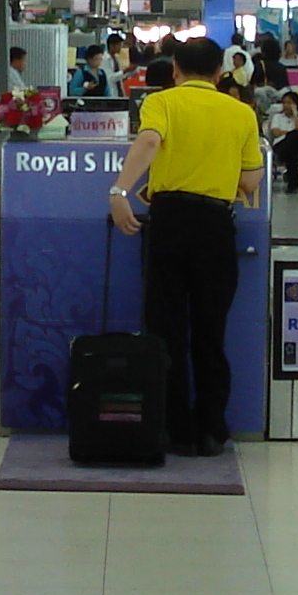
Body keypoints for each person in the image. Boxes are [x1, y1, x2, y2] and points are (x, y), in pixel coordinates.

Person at [108, 37, 264, 458]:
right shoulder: (242, 113)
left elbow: (149, 143)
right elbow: (251, 182)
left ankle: (174, 429)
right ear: (219, 73)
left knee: (166, 329)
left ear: (175, 68)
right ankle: (212, 428)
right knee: (211, 332)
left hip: (170, 221)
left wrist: (120, 190)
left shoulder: (162, 103)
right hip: (215, 225)